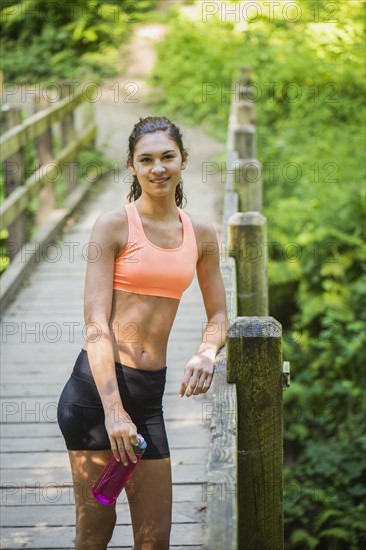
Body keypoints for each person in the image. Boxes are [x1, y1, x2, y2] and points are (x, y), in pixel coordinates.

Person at [57, 116, 228, 550]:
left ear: (183, 161)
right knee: (94, 532)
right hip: (97, 395)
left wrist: (207, 351)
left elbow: (220, 314)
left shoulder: (201, 233)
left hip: (149, 396)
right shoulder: (113, 226)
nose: (158, 168)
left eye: (167, 157)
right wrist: (114, 410)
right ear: (132, 166)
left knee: (155, 539)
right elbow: (96, 324)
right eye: (146, 159)